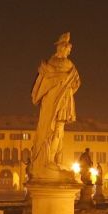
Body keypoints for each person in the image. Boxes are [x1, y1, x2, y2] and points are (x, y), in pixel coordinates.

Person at [31, 32, 80, 180]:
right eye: (67, 49)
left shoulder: (69, 65)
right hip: (52, 101)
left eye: (69, 50)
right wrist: (63, 83)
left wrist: (66, 86)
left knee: (59, 130)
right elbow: (43, 83)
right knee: (51, 129)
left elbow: (76, 82)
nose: (69, 52)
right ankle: (48, 161)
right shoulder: (52, 64)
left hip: (64, 100)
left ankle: (54, 160)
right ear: (61, 48)